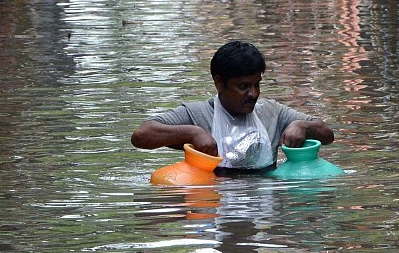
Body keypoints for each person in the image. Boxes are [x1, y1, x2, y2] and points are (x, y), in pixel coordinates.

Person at [132, 41, 334, 173]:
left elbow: (327, 135)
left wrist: (303, 126)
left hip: (263, 202)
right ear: (219, 83)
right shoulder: (197, 113)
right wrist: (192, 133)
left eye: (257, 84)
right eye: (243, 86)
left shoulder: (272, 112)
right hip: (215, 201)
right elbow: (141, 135)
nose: (253, 94)